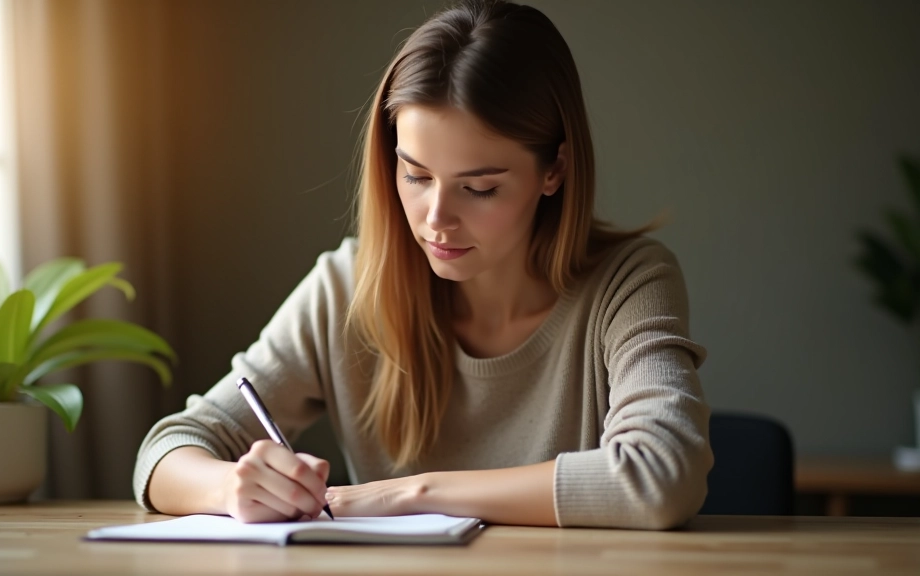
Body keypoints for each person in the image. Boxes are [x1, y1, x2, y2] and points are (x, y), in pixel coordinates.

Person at [134, 0, 712, 530]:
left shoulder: (629, 282)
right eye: (415, 174)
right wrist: (234, 486)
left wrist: (409, 494)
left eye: (479, 188)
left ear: (554, 170)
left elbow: (660, 475)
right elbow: (167, 450)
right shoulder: (346, 287)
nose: (436, 217)